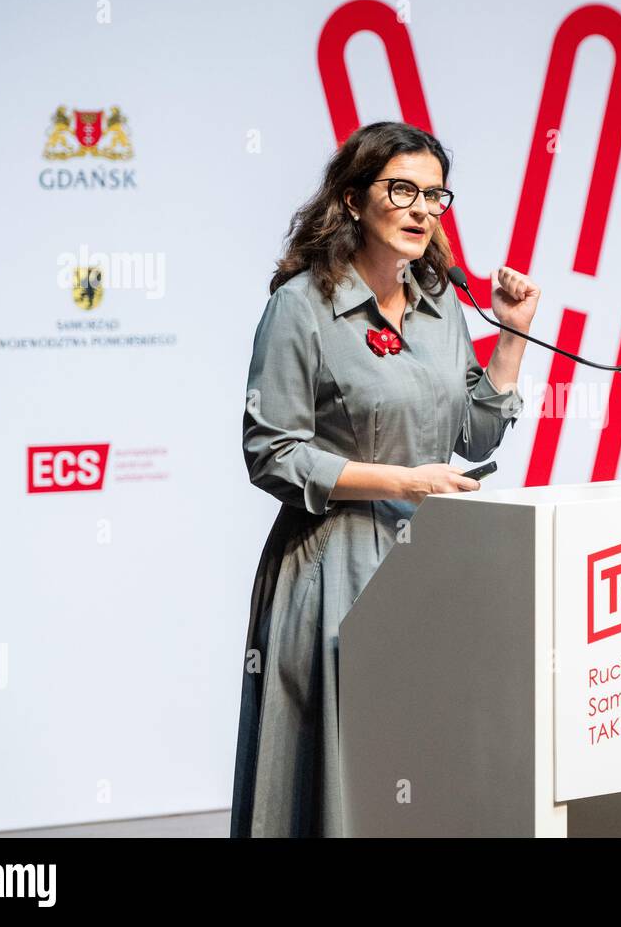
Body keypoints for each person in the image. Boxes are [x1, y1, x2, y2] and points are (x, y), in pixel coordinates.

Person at [230, 121, 540, 837]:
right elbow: (271, 452)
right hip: (333, 566)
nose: (422, 208)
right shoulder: (300, 308)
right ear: (350, 200)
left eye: (434, 194)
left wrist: (513, 336)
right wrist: (399, 482)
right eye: (402, 188)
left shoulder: (439, 307)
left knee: (424, 768)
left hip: (429, 566)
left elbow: (475, 434)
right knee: (340, 780)